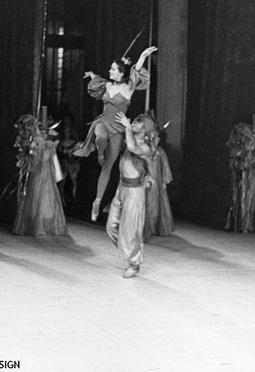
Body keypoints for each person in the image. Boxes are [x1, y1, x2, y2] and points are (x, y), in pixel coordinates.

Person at [74, 46, 157, 221]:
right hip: (103, 122)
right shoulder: (107, 84)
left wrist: (142, 55)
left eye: (113, 69)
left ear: (121, 73)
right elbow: (98, 79)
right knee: (100, 137)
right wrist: (91, 76)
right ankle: (100, 153)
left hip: (119, 129)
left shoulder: (129, 88)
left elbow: (137, 70)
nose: (109, 71)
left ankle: (97, 201)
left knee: (108, 168)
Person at [106, 112, 155, 278]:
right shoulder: (128, 141)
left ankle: (134, 263)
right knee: (111, 227)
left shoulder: (145, 148)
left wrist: (127, 127)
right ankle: (128, 253)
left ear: (145, 130)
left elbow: (133, 148)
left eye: (139, 122)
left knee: (131, 230)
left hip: (134, 192)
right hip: (121, 188)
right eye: (134, 120)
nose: (134, 122)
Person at [12, 115, 66, 236]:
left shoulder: (40, 141)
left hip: (44, 172)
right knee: (37, 194)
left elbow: (42, 157)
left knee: (43, 195)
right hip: (38, 171)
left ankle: (41, 225)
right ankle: (37, 225)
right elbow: (36, 157)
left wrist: (45, 149)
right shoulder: (34, 140)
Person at [144, 128, 174, 241]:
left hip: (157, 181)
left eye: (156, 138)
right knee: (148, 203)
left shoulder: (160, 152)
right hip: (147, 180)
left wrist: (164, 181)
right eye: (152, 138)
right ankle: (147, 228)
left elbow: (165, 167)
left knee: (157, 204)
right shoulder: (146, 150)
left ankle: (156, 227)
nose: (154, 140)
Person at [57, 114, 80, 207]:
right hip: (63, 167)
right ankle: (62, 202)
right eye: (65, 130)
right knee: (62, 184)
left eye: (68, 130)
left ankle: (73, 201)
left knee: (74, 184)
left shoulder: (75, 144)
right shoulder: (59, 144)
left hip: (73, 167)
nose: (67, 132)